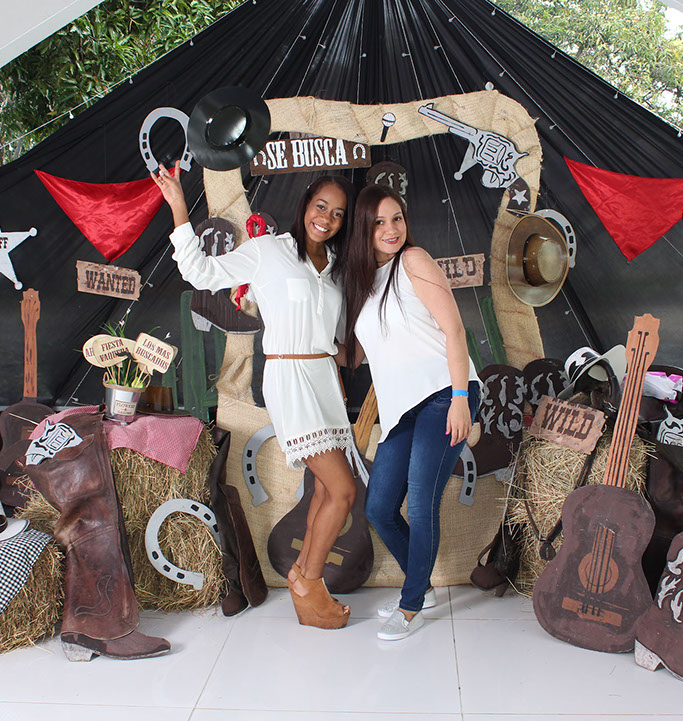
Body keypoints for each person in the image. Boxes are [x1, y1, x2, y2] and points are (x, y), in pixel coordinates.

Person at [154, 168, 357, 629]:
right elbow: (199, 272)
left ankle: (303, 575)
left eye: (338, 213)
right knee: (344, 491)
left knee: (326, 488)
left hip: (324, 379)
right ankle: (309, 583)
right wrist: (179, 206)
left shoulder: (335, 266)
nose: (326, 218)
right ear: (305, 204)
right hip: (290, 378)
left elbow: (336, 338)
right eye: (321, 206)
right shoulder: (268, 251)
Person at [341, 184, 480, 641]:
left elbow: (454, 330)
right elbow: (356, 356)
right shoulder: (362, 285)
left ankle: (411, 604)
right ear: (363, 229)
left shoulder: (414, 260)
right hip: (402, 409)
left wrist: (460, 398)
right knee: (380, 508)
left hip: (444, 393)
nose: (391, 229)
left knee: (420, 504)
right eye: (379, 222)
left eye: (396, 218)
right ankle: (421, 586)